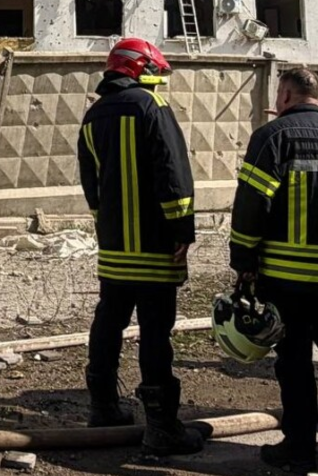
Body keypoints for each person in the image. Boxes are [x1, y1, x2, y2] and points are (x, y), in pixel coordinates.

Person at [229, 68, 318, 473]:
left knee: (294, 361)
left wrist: (243, 260)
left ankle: (299, 447)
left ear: (285, 95)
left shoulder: (273, 136)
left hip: (284, 273)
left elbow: (252, 202)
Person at [77, 37, 205, 456]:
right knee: (155, 331)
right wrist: (182, 228)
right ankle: (162, 427)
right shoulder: (153, 107)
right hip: (155, 245)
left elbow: (91, 185)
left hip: (114, 247)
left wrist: (107, 229)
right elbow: (173, 171)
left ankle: (103, 408)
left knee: (108, 322)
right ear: (139, 68)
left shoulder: (93, 115)